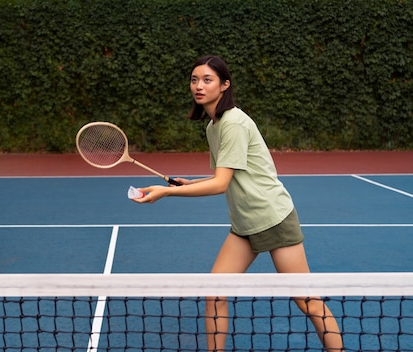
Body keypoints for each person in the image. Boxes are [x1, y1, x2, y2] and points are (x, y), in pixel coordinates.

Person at [133, 55, 344, 351]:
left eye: (207, 80)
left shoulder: (232, 123)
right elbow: (227, 175)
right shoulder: (214, 126)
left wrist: (166, 192)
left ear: (224, 85)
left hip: (273, 218)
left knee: (307, 299)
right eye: (195, 80)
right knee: (214, 291)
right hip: (245, 223)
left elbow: (220, 184)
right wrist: (189, 183)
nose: (199, 86)